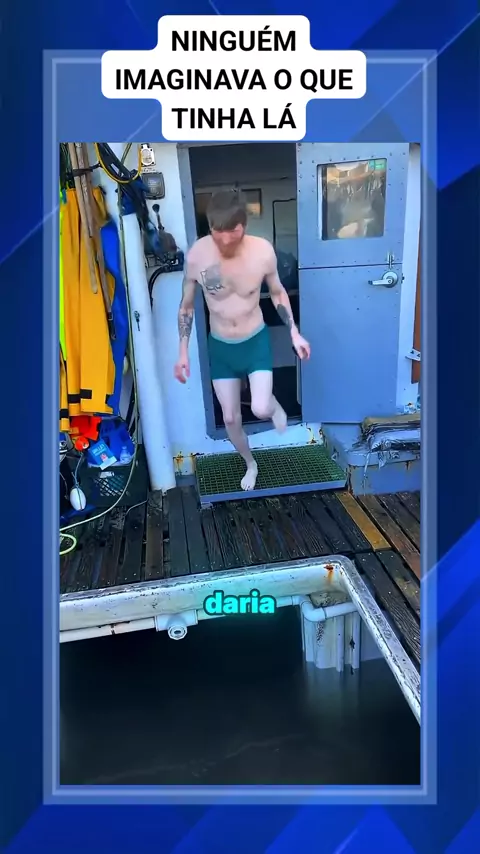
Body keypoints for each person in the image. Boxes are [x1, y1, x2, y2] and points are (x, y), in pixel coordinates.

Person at [174, 189, 310, 491]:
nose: (224, 241)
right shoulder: (198, 256)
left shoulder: (262, 252)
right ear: (210, 227)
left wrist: (294, 331)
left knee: (260, 408)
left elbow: (278, 293)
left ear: (243, 226)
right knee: (230, 418)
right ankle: (251, 463)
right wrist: (182, 351)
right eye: (217, 233)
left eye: (231, 233)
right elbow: (186, 306)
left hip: (254, 342)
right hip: (221, 347)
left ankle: (272, 405)